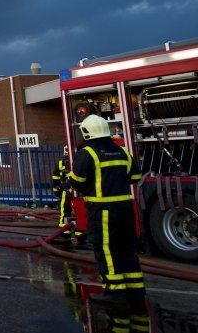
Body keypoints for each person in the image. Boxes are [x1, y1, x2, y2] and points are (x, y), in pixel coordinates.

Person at [70, 114, 148, 333]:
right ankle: (136, 294)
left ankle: (115, 296)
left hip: (102, 211)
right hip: (125, 209)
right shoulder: (123, 151)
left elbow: (78, 182)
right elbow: (135, 176)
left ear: (86, 132)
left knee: (107, 251)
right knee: (127, 250)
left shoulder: (87, 153)